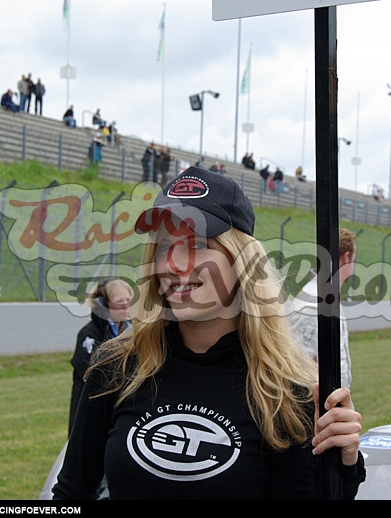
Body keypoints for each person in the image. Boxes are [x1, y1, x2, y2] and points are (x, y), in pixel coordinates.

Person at [52, 166, 365, 500]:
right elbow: (71, 493)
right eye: (163, 246)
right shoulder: (116, 367)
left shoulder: (286, 391)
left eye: (198, 244)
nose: (175, 263)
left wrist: (342, 465)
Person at [287, 228, 357, 389]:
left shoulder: (324, 296)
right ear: (346, 258)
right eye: (353, 259)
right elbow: (299, 371)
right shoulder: (313, 304)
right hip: (319, 408)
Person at [69, 277, 132, 436]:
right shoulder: (89, 335)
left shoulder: (133, 332)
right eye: (119, 301)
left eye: (128, 299)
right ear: (103, 305)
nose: (126, 305)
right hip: (91, 411)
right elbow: (96, 376)